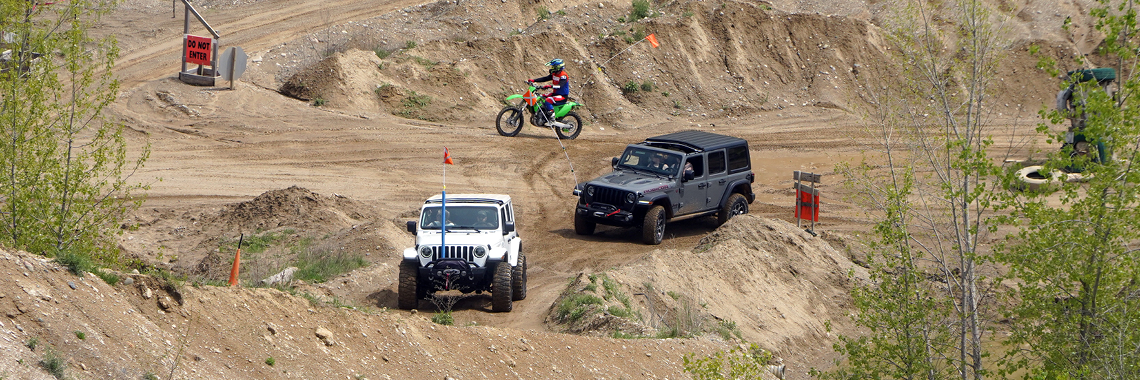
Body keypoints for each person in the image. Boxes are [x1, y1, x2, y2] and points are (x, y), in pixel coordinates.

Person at [529, 58, 569, 126]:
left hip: (562, 96)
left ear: (558, 67)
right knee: (541, 97)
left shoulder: (563, 76)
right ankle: (542, 115)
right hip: (555, 94)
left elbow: (560, 86)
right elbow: (545, 78)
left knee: (548, 100)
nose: (552, 68)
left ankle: (552, 119)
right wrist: (534, 80)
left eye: (553, 67)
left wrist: (550, 86)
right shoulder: (554, 74)